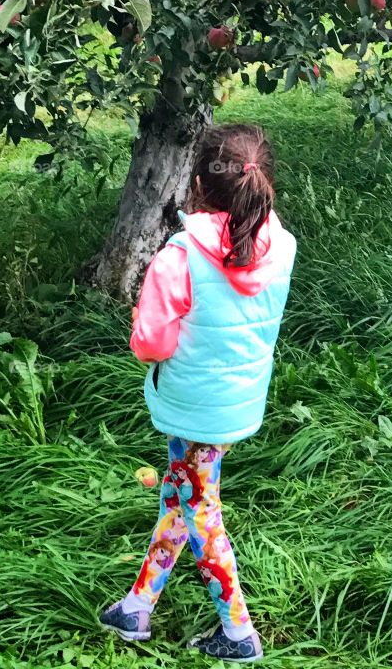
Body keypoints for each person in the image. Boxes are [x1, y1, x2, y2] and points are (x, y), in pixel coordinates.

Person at [99, 123, 297, 661]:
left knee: (201, 510)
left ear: (197, 183)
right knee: (182, 492)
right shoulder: (282, 246)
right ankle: (137, 604)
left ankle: (238, 633)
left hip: (193, 406)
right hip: (239, 397)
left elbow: (150, 343)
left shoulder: (180, 256)